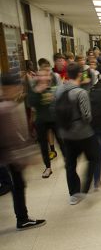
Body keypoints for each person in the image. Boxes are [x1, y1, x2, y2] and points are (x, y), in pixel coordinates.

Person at [1, 72, 47, 230]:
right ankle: (22, 218)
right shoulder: (6, 108)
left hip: (9, 157)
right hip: (9, 158)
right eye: (16, 86)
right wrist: (24, 157)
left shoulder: (7, 104)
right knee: (18, 186)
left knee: (18, 185)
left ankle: (22, 217)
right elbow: (11, 138)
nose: (18, 89)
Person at [56, 62, 100, 205]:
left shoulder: (59, 91)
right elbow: (87, 116)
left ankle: (73, 194)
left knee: (70, 164)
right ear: (80, 75)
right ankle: (85, 188)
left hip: (66, 133)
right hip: (83, 133)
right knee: (94, 157)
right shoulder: (81, 93)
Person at [28, 58, 64, 179]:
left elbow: (61, 100)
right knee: (43, 145)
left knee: (62, 141)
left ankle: (68, 161)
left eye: (46, 74)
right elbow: (30, 103)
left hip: (55, 118)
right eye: (41, 75)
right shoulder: (34, 88)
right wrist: (38, 91)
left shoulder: (55, 84)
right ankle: (48, 167)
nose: (44, 77)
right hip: (41, 120)